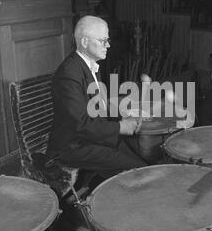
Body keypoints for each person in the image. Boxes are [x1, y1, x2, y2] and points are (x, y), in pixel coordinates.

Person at [46, 15, 147, 179]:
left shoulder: (89, 65)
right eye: (102, 40)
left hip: (90, 139)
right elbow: (81, 124)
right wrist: (121, 127)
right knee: (140, 171)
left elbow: (99, 106)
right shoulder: (69, 74)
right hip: (71, 147)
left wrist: (124, 115)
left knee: (143, 163)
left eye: (107, 40)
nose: (108, 45)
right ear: (85, 42)